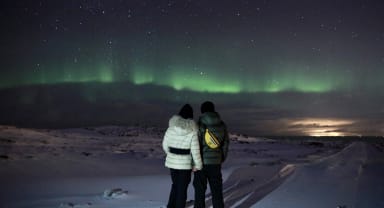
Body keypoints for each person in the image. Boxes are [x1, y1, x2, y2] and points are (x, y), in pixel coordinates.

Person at [162, 104, 203, 208]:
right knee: (182, 188)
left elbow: (165, 145)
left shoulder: (171, 129)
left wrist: (171, 155)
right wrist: (198, 165)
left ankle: (170, 206)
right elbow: (195, 150)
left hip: (172, 164)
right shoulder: (192, 131)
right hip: (185, 165)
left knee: (175, 185)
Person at [193, 101, 229, 208]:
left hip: (201, 164)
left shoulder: (199, 124)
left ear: (202, 111)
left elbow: (196, 145)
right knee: (216, 190)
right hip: (215, 163)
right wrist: (221, 157)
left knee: (199, 191)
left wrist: (194, 163)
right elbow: (225, 143)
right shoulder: (222, 125)